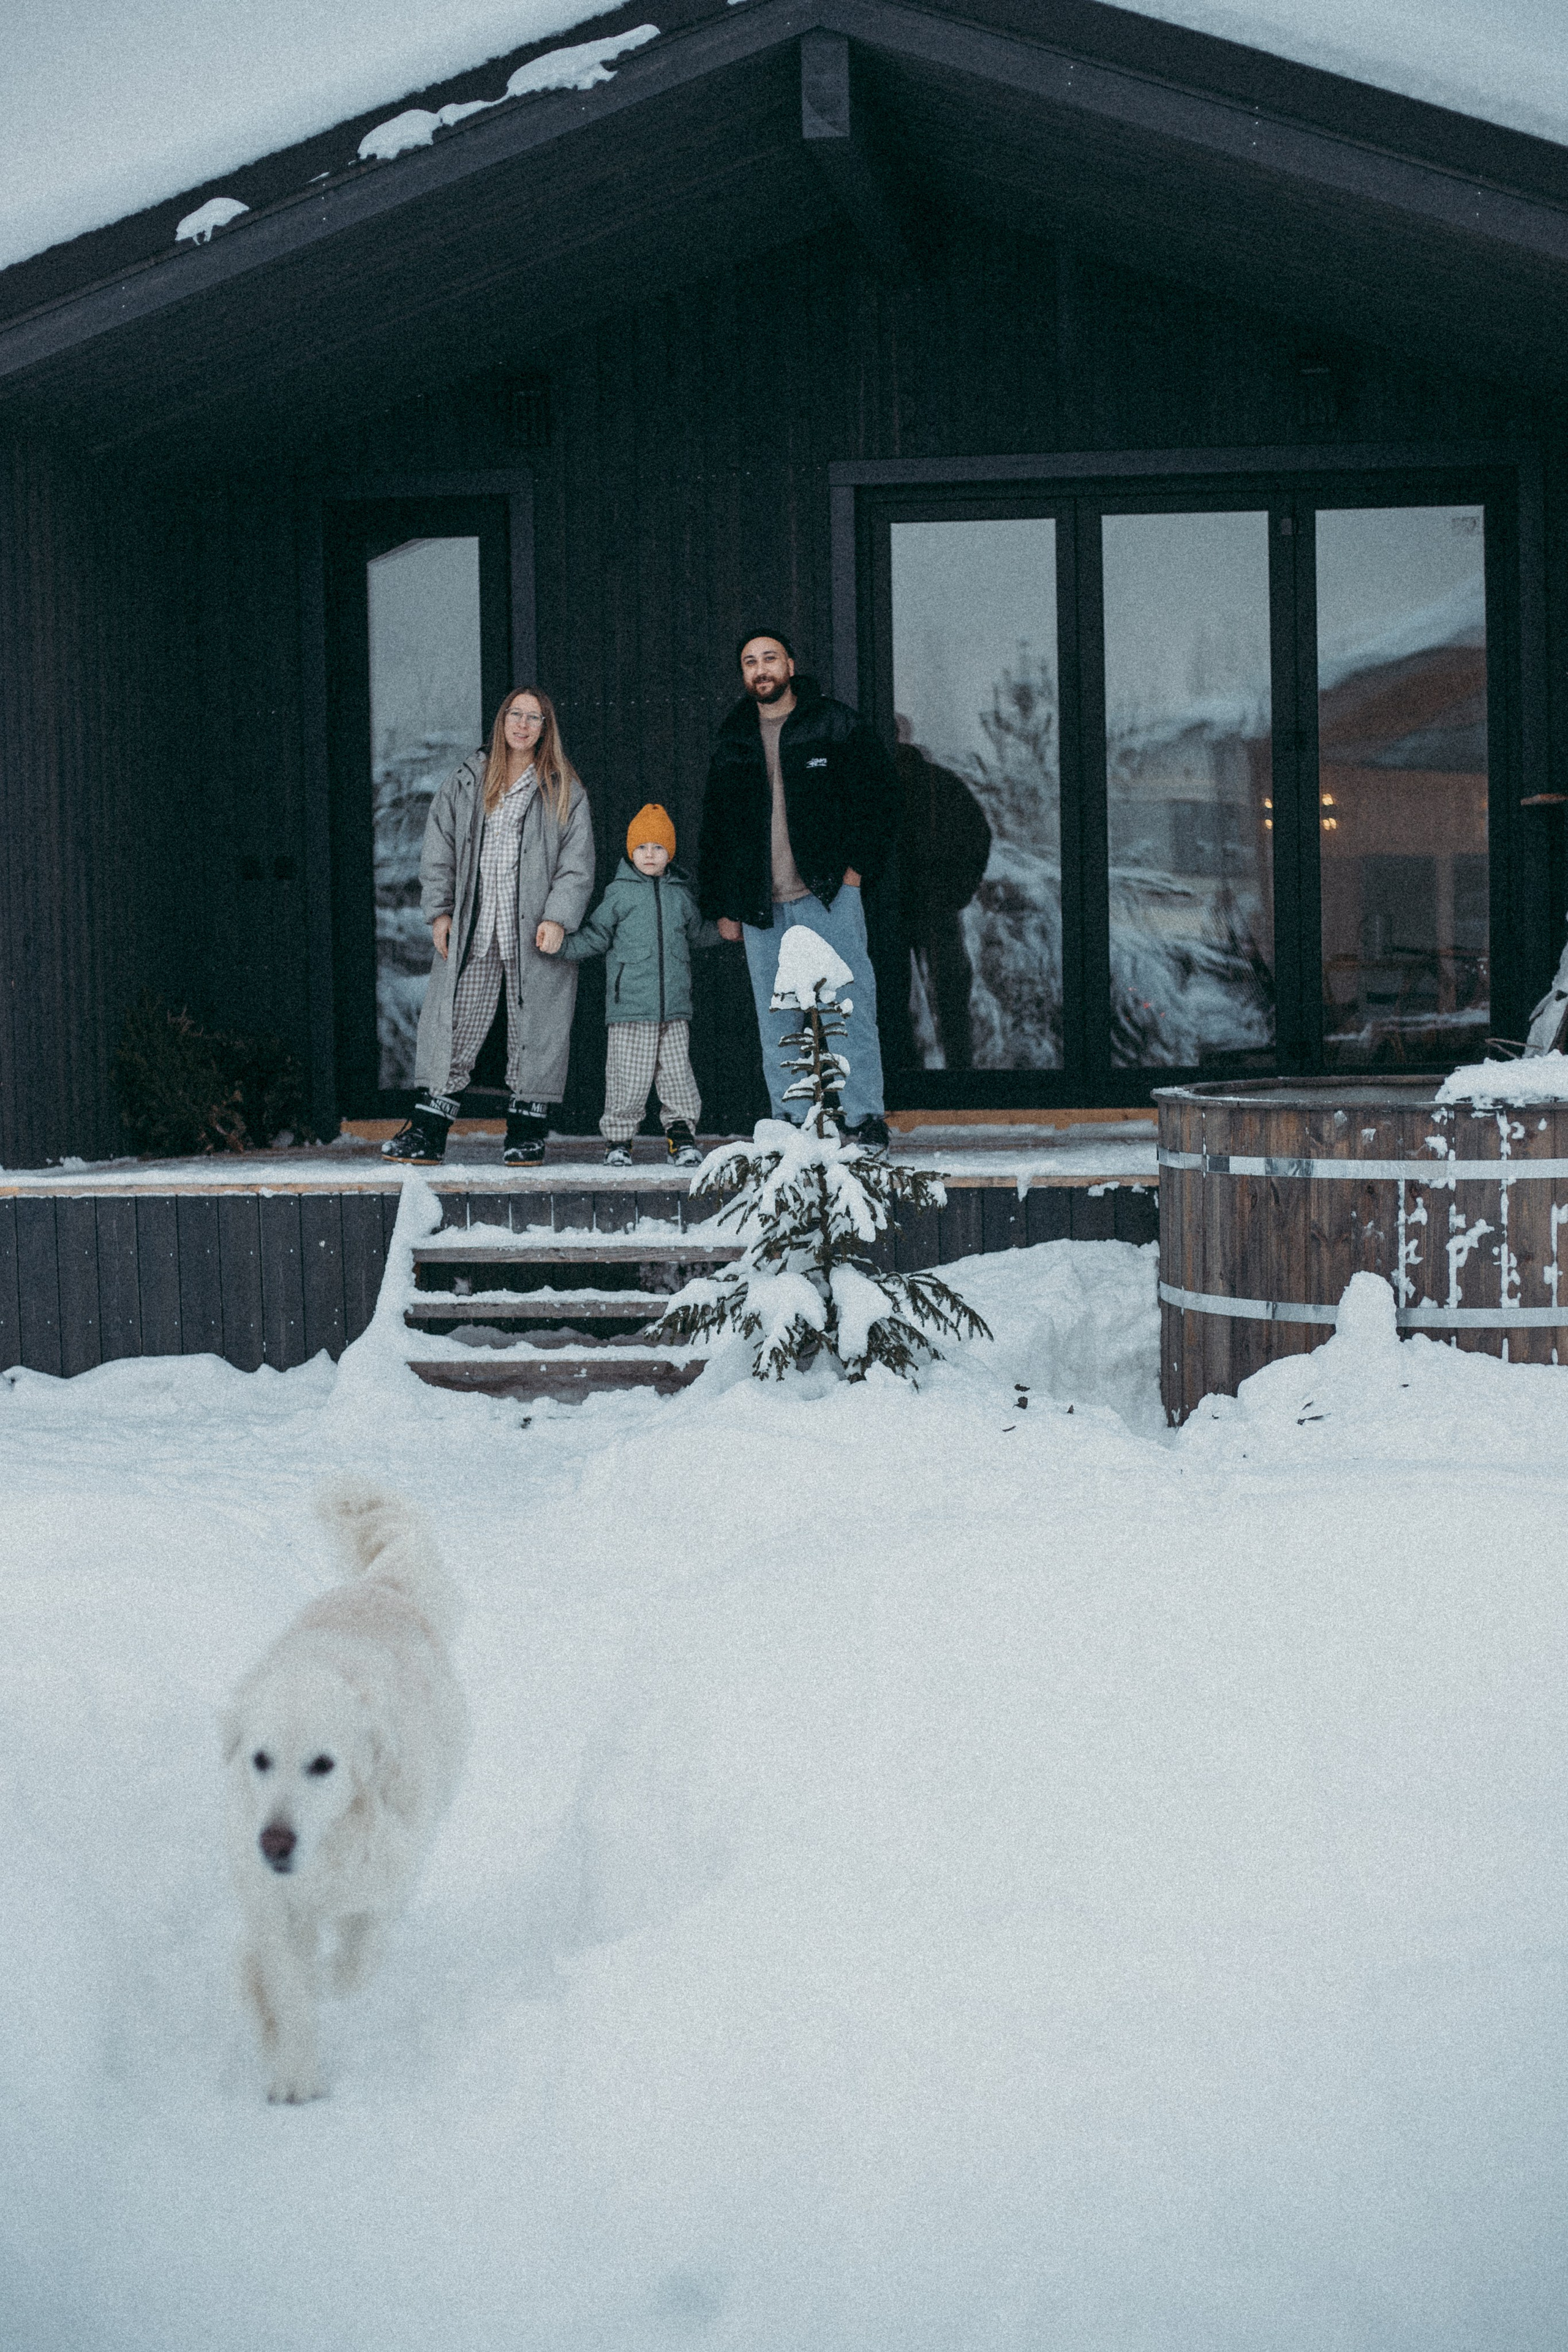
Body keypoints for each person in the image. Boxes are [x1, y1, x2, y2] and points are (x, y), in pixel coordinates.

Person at [697, 630, 902, 1148]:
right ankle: (792, 1124)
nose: (760, 669)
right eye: (750, 662)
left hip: (827, 893)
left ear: (791, 663)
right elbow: (716, 828)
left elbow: (878, 800)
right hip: (759, 904)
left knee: (846, 1009)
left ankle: (862, 1119)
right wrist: (723, 905)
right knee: (778, 1019)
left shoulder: (834, 724)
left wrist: (856, 872)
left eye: (769, 658)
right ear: (744, 675)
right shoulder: (733, 738)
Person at [383, 687, 595, 1166]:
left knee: (534, 1026)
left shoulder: (563, 788)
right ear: (501, 722)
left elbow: (577, 865)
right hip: (476, 928)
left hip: (533, 931)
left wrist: (559, 917)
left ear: (546, 729)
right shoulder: (467, 780)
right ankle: (428, 1131)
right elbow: (438, 848)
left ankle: (526, 1130)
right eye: (515, 715)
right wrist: (439, 911)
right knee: (456, 1022)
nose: (522, 725)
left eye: (534, 718)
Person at [543, 803, 714, 1166]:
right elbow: (596, 935)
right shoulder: (619, 894)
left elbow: (697, 934)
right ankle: (619, 1140)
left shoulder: (680, 894)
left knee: (678, 1075)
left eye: (658, 848)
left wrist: (728, 932)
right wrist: (563, 948)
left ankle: (681, 1135)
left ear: (670, 852)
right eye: (641, 848)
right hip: (630, 1008)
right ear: (630, 851)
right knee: (628, 1078)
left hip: (675, 1008)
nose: (649, 855)